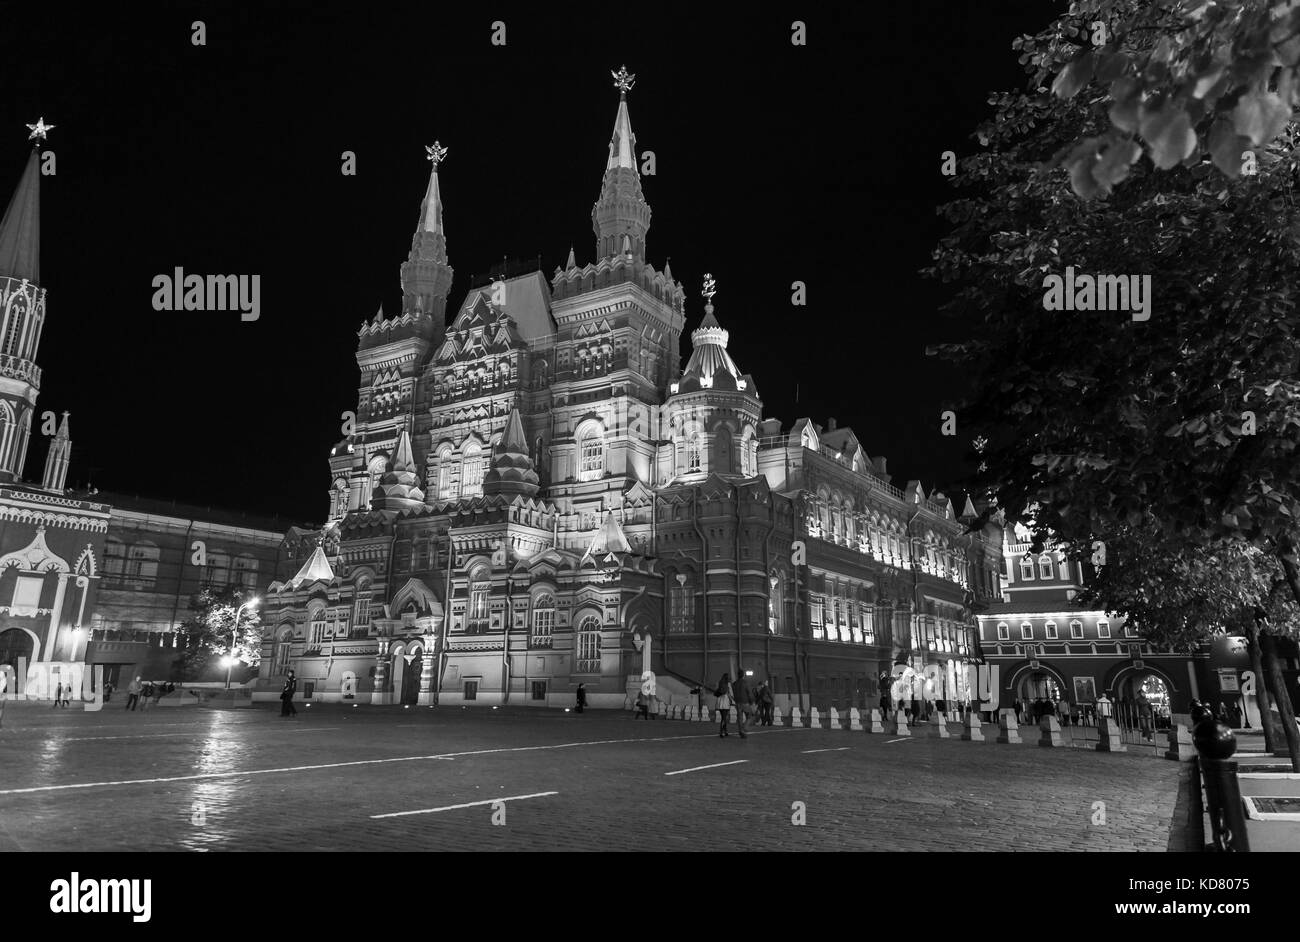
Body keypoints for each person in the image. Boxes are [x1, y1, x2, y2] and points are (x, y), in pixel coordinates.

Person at [732, 671, 753, 738]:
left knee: (740, 717)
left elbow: (733, 693)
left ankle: (741, 731)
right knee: (749, 716)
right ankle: (744, 728)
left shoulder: (734, 683)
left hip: (737, 702)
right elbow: (749, 693)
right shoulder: (745, 682)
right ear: (743, 675)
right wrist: (751, 701)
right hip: (745, 702)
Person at [714, 673, 733, 738]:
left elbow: (716, 691)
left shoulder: (719, 683)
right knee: (724, 718)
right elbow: (729, 693)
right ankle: (721, 732)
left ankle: (725, 731)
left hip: (720, 702)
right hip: (725, 702)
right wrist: (732, 700)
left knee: (723, 717)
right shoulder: (728, 684)